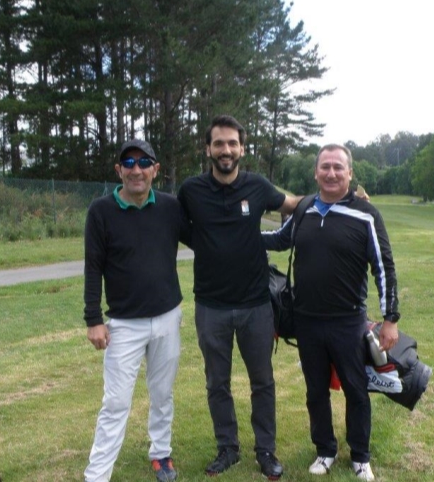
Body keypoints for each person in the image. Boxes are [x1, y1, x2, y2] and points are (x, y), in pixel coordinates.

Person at [262, 144, 400, 481]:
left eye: (339, 167)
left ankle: (360, 456)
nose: (332, 173)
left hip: (348, 322)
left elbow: (384, 268)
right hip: (307, 321)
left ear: (350, 173)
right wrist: (240, 235)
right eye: (325, 166)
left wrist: (390, 319)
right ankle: (325, 450)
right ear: (316, 172)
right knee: (315, 392)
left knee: (355, 390)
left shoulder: (366, 214)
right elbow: (280, 239)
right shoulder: (306, 208)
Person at [177, 115, 299, 480]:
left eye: (232, 143)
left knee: (263, 381)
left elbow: (293, 204)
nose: (225, 150)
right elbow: (174, 224)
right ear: (208, 149)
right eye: (219, 143)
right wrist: (207, 244)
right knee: (217, 382)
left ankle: (266, 450)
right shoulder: (191, 190)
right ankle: (227, 448)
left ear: (242, 149)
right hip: (210, 306)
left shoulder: (258, 186)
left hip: (256, 306)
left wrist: (340, 197)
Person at [83, 139, 190, 482]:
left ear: (155, 170)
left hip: (167, 317)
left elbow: (208, 236)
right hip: (123, 325)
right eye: (128, 163)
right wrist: (93, 319)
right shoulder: (100, 211)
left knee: (162, 393)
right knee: (115, 403)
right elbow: (93, 267)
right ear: (119, 171)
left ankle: (161, 454)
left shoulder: (171, 207)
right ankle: (97, 475)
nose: (136, 169)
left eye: (144, 162)